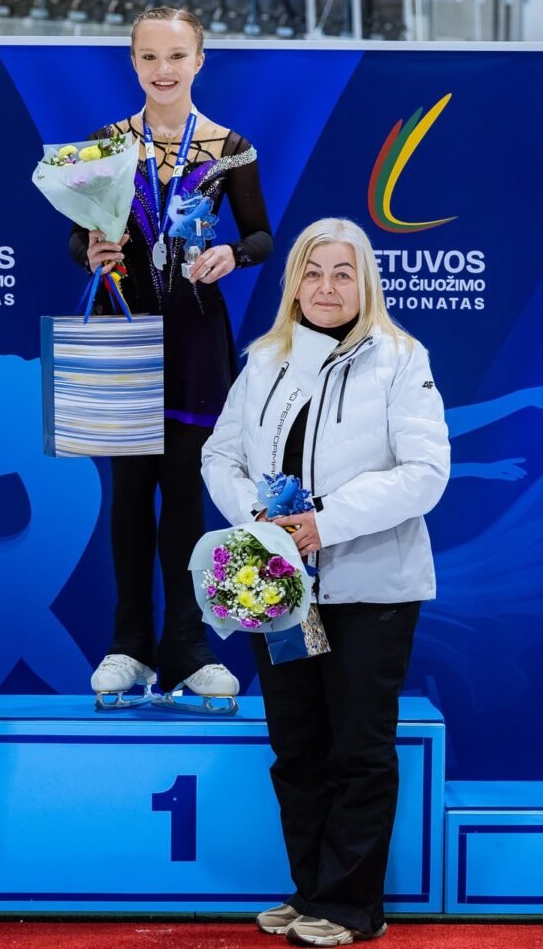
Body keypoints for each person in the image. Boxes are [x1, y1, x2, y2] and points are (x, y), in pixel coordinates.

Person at [202, 218, 450, 946]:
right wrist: (257, 518)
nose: (327, 287)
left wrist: (325, 522)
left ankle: (349, 906)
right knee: (298, 744)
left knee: (359, 749)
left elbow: (426, 474)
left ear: (365, 283)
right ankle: (310, 892)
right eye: (313, 273)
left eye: (343, 273)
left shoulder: (402, 359)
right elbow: (220, 455)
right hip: (275, 595)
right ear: (295, 283)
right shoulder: (267, 359)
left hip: (372, 591)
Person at [68, 6, 274, 711]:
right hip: (123, 332)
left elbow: (263, 236)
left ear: (200, 60)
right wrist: (91, 249)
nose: (164, 70)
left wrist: (231, 254)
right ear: (131, 62)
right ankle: (127, 646)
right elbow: (79, 240)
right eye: (149, 57)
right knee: (129, 501)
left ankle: (187, 648)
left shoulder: (231, 147)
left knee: (186, 499)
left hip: (195, 341)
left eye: (176, 56)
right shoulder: (104, 144)